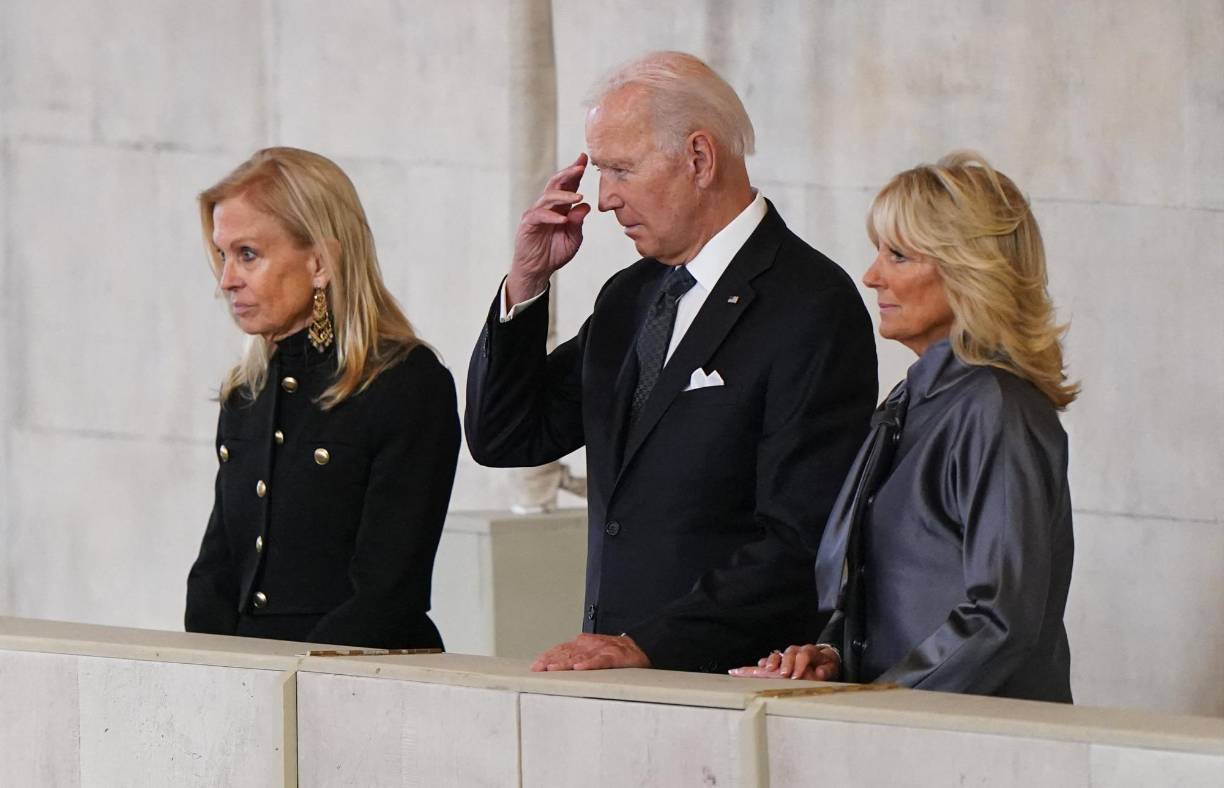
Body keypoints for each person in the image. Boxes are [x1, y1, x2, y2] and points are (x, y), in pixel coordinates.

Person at [466, 52, 878, 673]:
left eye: (621, 170)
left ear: (699, 159)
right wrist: (526, 283)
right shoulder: (630, 297)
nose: (603, 200)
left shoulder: (811, 304)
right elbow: (507, 435)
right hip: (616, 676)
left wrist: (650, 644)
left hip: (735, 684)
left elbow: (799, 538)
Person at [731, 152, 1078, 702]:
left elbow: (1000, 618)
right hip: (908, 736)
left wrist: (876, 702)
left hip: (977, 748)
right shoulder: (912, 399)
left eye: (898, 255)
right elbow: (888, 597)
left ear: (968, 268)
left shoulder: (995, 407)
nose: (872, 276)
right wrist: (831, 656)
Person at [185, 147, 460, 649]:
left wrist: (297, 681)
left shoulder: (405, 383)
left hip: (361, 678)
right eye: (223, 255)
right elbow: (216, 571)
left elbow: (389, 591)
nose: (227, 280)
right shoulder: (247, 392)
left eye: (248, 254)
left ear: (319, 263)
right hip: (255, 678)